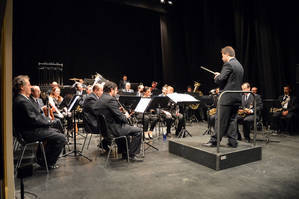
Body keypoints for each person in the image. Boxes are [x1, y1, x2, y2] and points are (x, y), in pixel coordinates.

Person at [13, 75, 67, 169]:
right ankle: (47, 163)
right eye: (29, 85)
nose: (30, 87)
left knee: (56, 132)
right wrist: (49, 121)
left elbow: (35, 117)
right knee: (61, 138)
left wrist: (47, 122)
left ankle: (43, 159)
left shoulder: (23, 99)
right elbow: (33, 119)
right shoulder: (21, 101)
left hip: (31, 129)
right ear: (22, 87)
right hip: (29, 133)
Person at [204, 46, 244, 148]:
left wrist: (217, 76)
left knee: (219, 119)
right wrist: (221, 74)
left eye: (222, 55)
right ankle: (233, 141)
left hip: (227, 98)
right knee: (232, 120)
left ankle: (214, 141)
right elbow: (231, 80)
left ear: (226, 54)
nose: (222, 58)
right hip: (237, 97)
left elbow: (220, 80)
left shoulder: (228, 64)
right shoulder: (239, 65)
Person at [93, 81, 143, 161]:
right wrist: (125, 116)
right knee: (139, 131)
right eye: (116, 90)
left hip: (104, 130)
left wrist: (117, 111)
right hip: (113, 130)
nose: (116, 92)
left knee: (126, 130)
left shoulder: (101, 98)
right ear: (111, 90)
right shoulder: (111, 99)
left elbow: (108, 112)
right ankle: (131, 154)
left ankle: (125, 154)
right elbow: (122, 119)